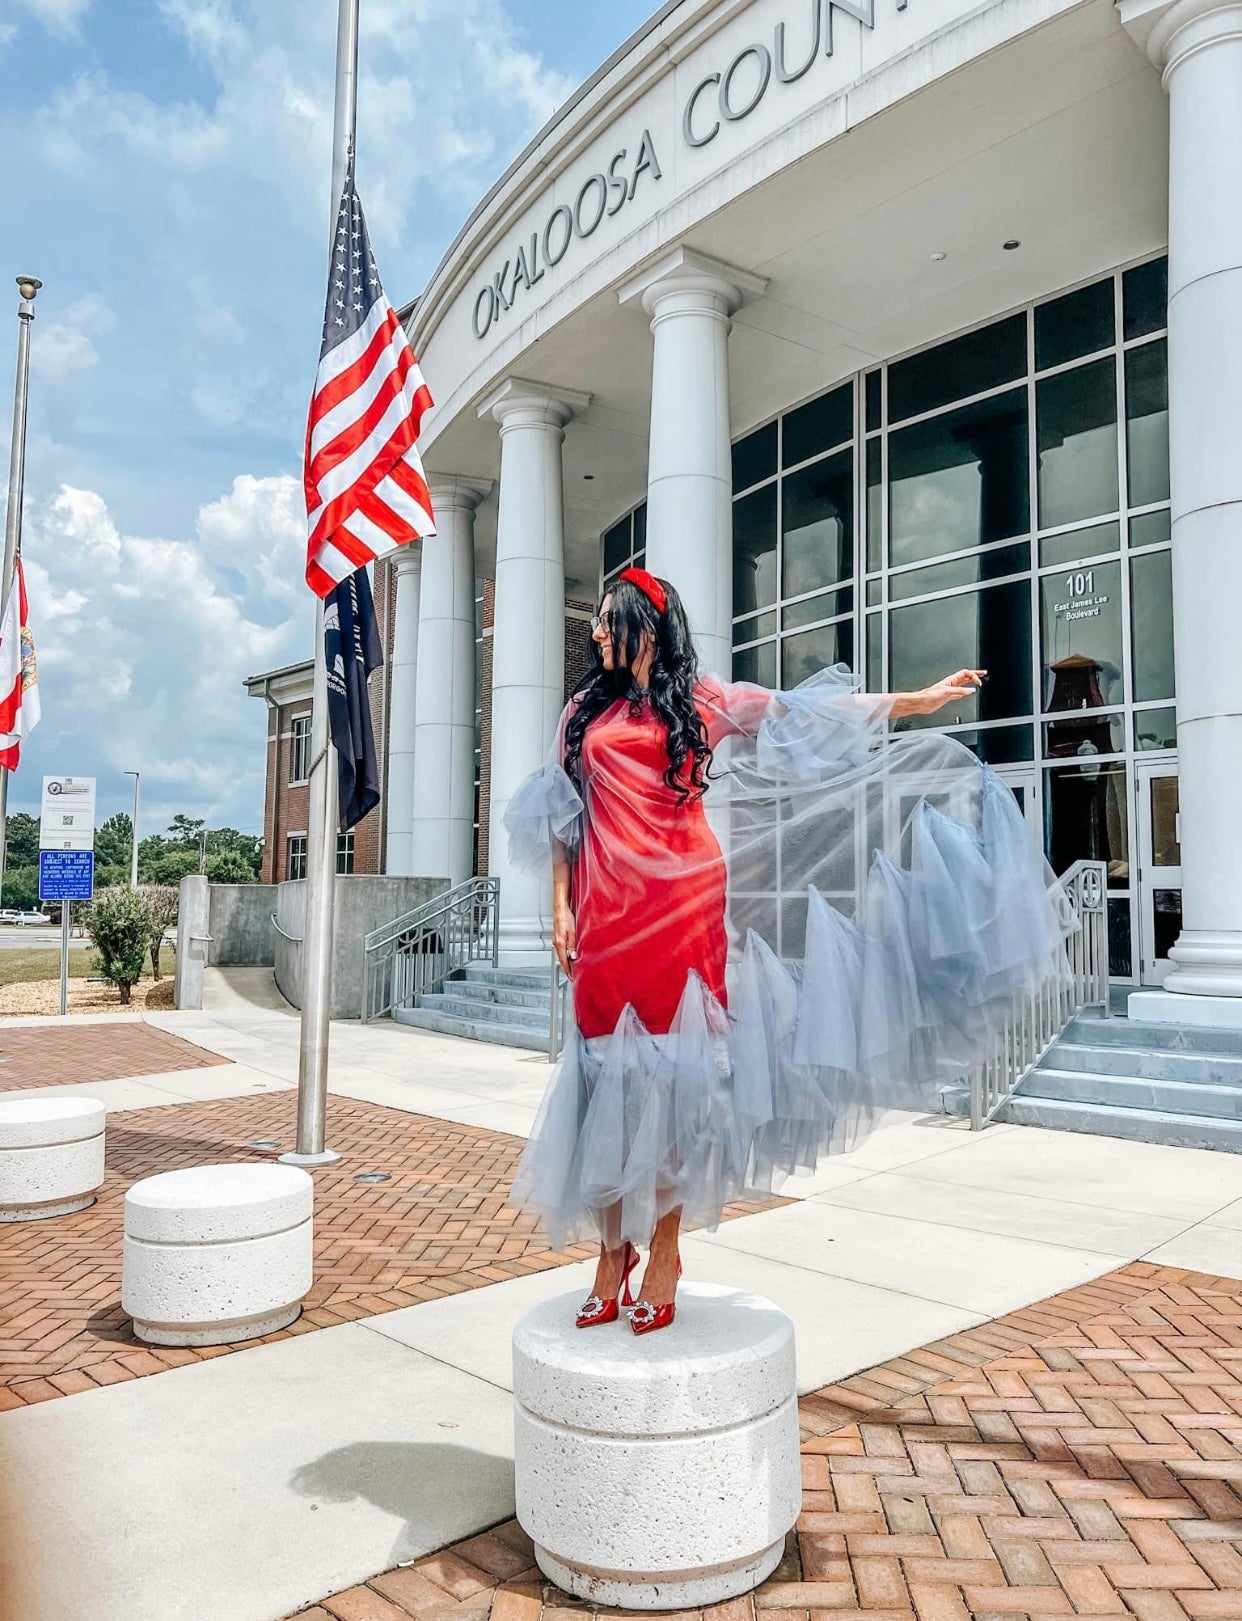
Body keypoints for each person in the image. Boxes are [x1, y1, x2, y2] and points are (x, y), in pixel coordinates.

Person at [505, 568, 1069, 1335]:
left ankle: (663, 1250)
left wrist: (918, 700)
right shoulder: (583, 711)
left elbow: (814, 713)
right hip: (608, 917)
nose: (598, 632)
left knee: (675, 1090)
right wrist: (561, 906)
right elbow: (561, 814)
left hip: (683, 911)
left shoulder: (705, 700)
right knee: (600, 1081)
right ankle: (612, 1252)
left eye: (610, 620)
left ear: (647, 624)